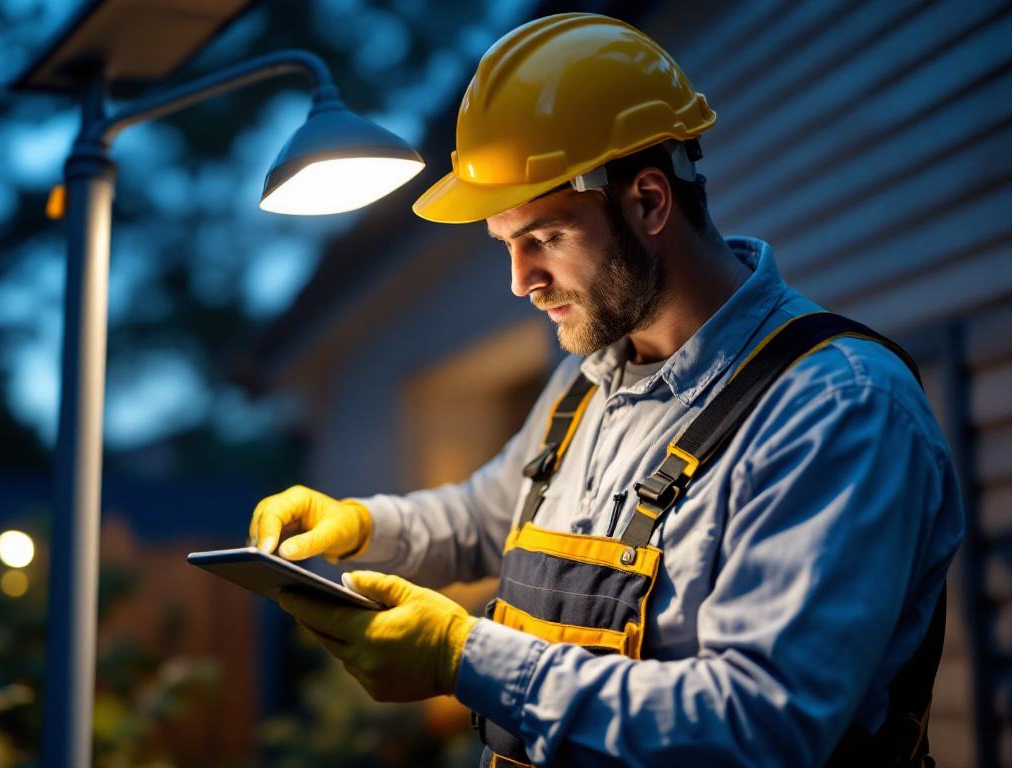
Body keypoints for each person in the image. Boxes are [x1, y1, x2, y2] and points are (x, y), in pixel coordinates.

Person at [248, 13, 963, 767]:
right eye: (506, 245)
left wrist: (465, 656)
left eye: (544, 239)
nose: (521, 281)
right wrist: (357, 525)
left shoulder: (835, 408)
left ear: (650, 202)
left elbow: (761, 726)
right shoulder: (585, 384)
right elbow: (487, 516)